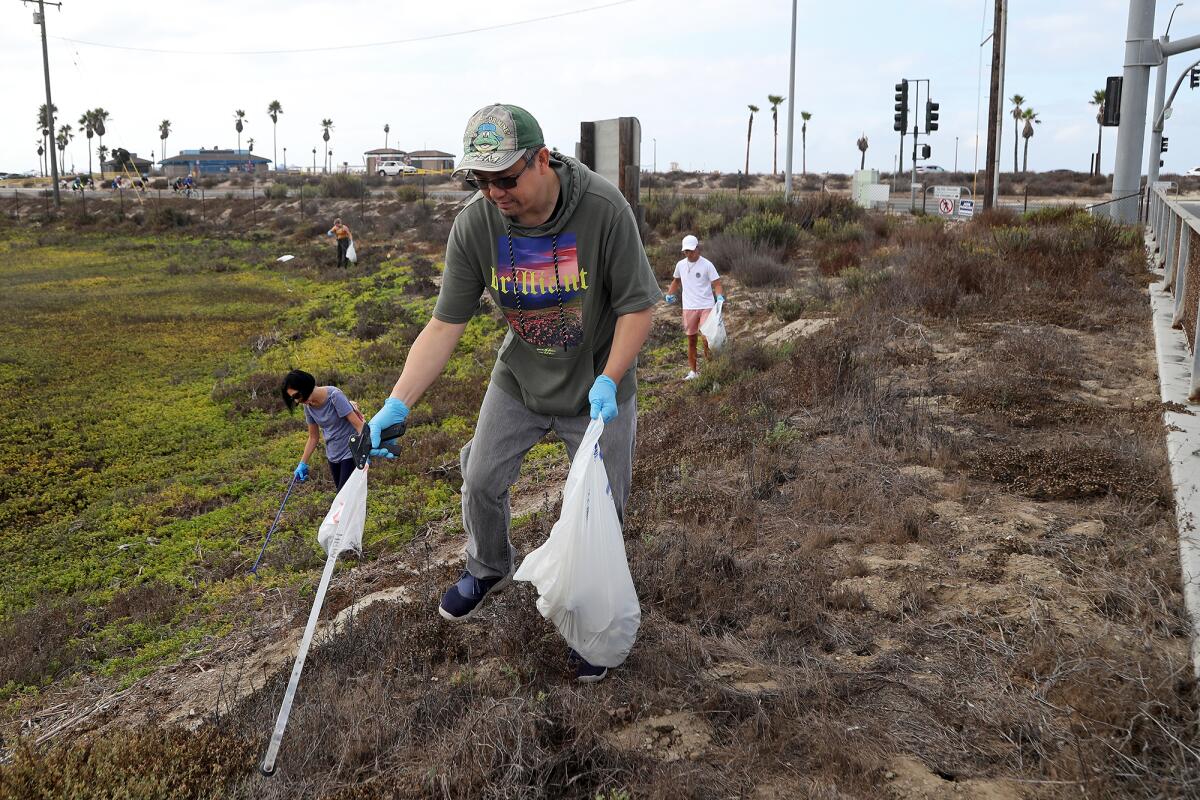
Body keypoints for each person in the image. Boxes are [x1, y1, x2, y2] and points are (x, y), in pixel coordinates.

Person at [366, 104, 659, 682]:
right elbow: (444, 324)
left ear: (541, 159)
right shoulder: (476, 226)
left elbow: (639, 307)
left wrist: (609, 378)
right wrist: (397, 404)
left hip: (598, 387)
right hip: (521, 378)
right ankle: (489, 567)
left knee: (600, 507)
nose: (494, 193)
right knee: (479, 479)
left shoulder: (601, 209)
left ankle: (591, 624)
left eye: (506, 178)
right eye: (482, 180)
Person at [280, 370, 365, 491]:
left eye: (297, 396)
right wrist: (302, 463)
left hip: (350, 451)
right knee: (345, 498)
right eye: (293, 399)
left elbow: (358, 425)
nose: (297, 401)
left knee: (343, 498)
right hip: (333, 455)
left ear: (305, 386)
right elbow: (313, 437)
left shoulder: (334, 396)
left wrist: (365, 449)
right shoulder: (308, 407)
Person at [664, 234, 724, 380]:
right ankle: (693, 372)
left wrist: (720, 297)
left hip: (706, 306)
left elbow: (717, 284)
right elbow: (676, 281)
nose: (689, 254)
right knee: (691, 340)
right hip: (689, 307)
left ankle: (711, 371)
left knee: (706, 339)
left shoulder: (707, 264)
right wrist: (670, 294)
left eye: (691, 250)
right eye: (686, 251)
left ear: (698, 248)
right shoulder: (680, 265)